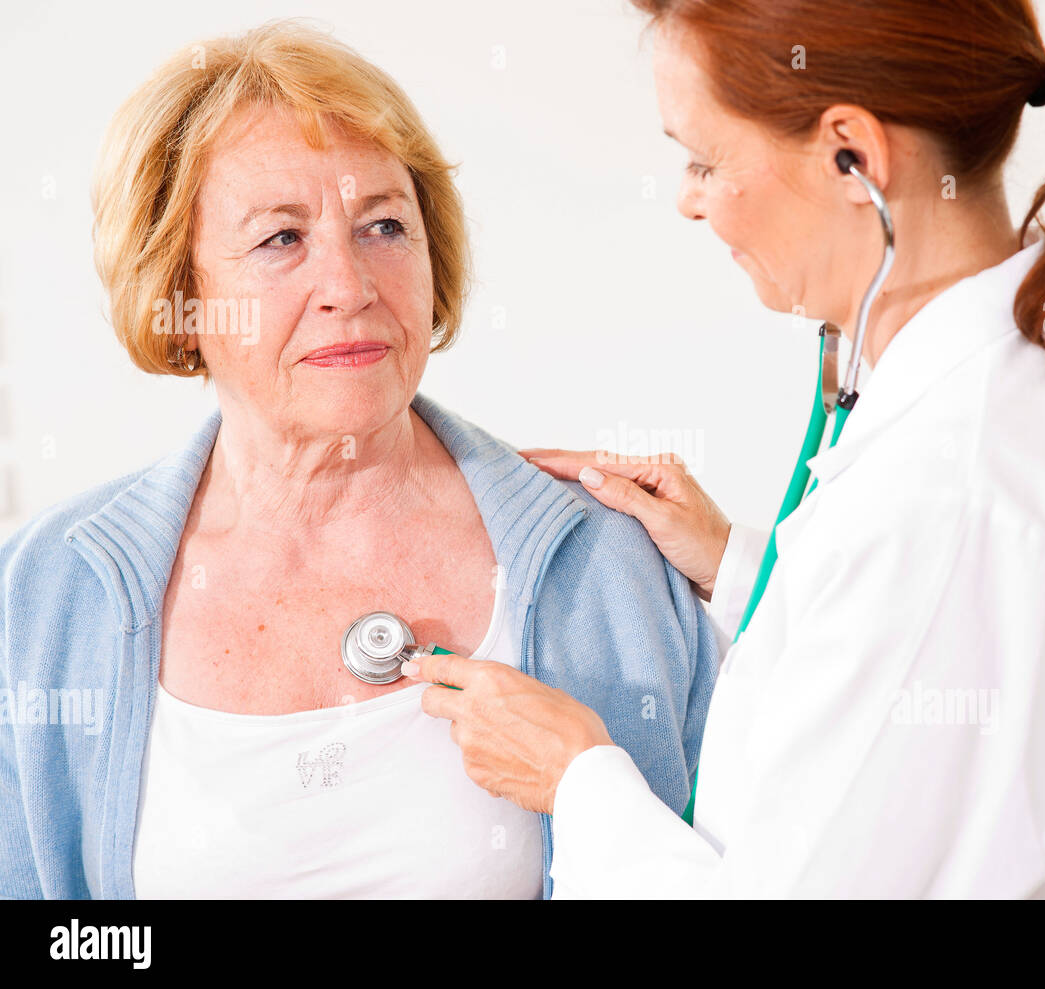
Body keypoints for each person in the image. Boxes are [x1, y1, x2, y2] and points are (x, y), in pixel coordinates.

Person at [402, 0, 1045, 897]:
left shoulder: (954, 493)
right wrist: (746, 568)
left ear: (851, 155)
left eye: (703, 159)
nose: (688, 199)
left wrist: (576, 777)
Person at [0, 20, 717, 900]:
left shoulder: (610, 562)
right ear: (181, 294)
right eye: (281, 239)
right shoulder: (40, 598)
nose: (350, 285)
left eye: (383, 225)